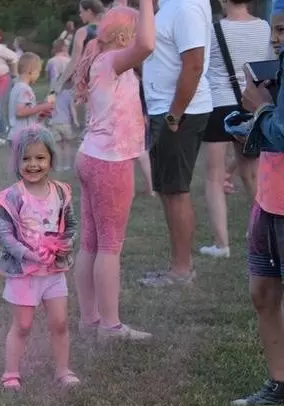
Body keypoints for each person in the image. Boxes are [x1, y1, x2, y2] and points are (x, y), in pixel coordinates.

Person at [72, 0, 155, 341]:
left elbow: (139, 38)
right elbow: (147, 44)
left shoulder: (103, 60)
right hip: (110, 162)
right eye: (133, 34)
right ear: (123, 38)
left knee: (91, 242)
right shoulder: (113, 62)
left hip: (91, 157)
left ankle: (89, 319)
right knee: (109, 245)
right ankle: (110, 325)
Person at [0, 126, 79, 391]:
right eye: (26, 158)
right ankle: (11, 374)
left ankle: (63, 370)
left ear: (51, 159)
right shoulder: (13, 196)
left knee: (60, 323)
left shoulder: (61, 192)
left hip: (54, 272)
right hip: (25, 273)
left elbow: (71, 226)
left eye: (40, 158)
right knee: (23, 325)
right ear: (16, 161)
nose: (33, 164)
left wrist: (64, 245)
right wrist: (27, 254)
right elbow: (5, 234)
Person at [231, 0, 284, 406]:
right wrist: (251, 123)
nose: (278, 40)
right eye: (275, 30)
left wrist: (261, 107)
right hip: (268, 199)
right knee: (262, 292)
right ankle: (279, 383)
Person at [140, 0, 212, 287]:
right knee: (167, 189)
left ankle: (182, 269)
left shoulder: (186, 7)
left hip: (180, 112)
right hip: (165, 110)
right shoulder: (170, 5)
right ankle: (179, 264)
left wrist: (175, 113)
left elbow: (194, 64)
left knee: (176, 191)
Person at [200, 0, 271, 259]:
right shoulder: (264, 27)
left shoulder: (212, 30)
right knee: (251, 175)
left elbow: (203, 66)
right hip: (250, 103)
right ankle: (263, 232)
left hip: (219, 103)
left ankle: (222, 245)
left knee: (214, 177)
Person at [52, 0, 106, 94]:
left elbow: (75, 60)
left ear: (89, 11)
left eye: (81, 12)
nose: (80, 15)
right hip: (107, 77)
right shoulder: (109, 30)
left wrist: (60, 82)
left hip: (88, 79)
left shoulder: (83, 32)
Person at [8, 53, 54, 143]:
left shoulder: (16, 87)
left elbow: (26, 110)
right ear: (31, 70)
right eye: (38, 72)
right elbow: (20, 112)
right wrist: (42, 107)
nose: (38, 75)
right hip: (23, 137)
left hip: (17, 135)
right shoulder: (24, 89)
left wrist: (40, 110)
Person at [47, 40, 78, 169]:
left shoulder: (51, 61)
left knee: (57, 145)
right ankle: (67, 165)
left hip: (55, 121)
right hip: (66, 123)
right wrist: (75, 120)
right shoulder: (69, 60)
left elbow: (48, 108)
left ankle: (59, 165)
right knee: (67, 144)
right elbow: (72, 108)